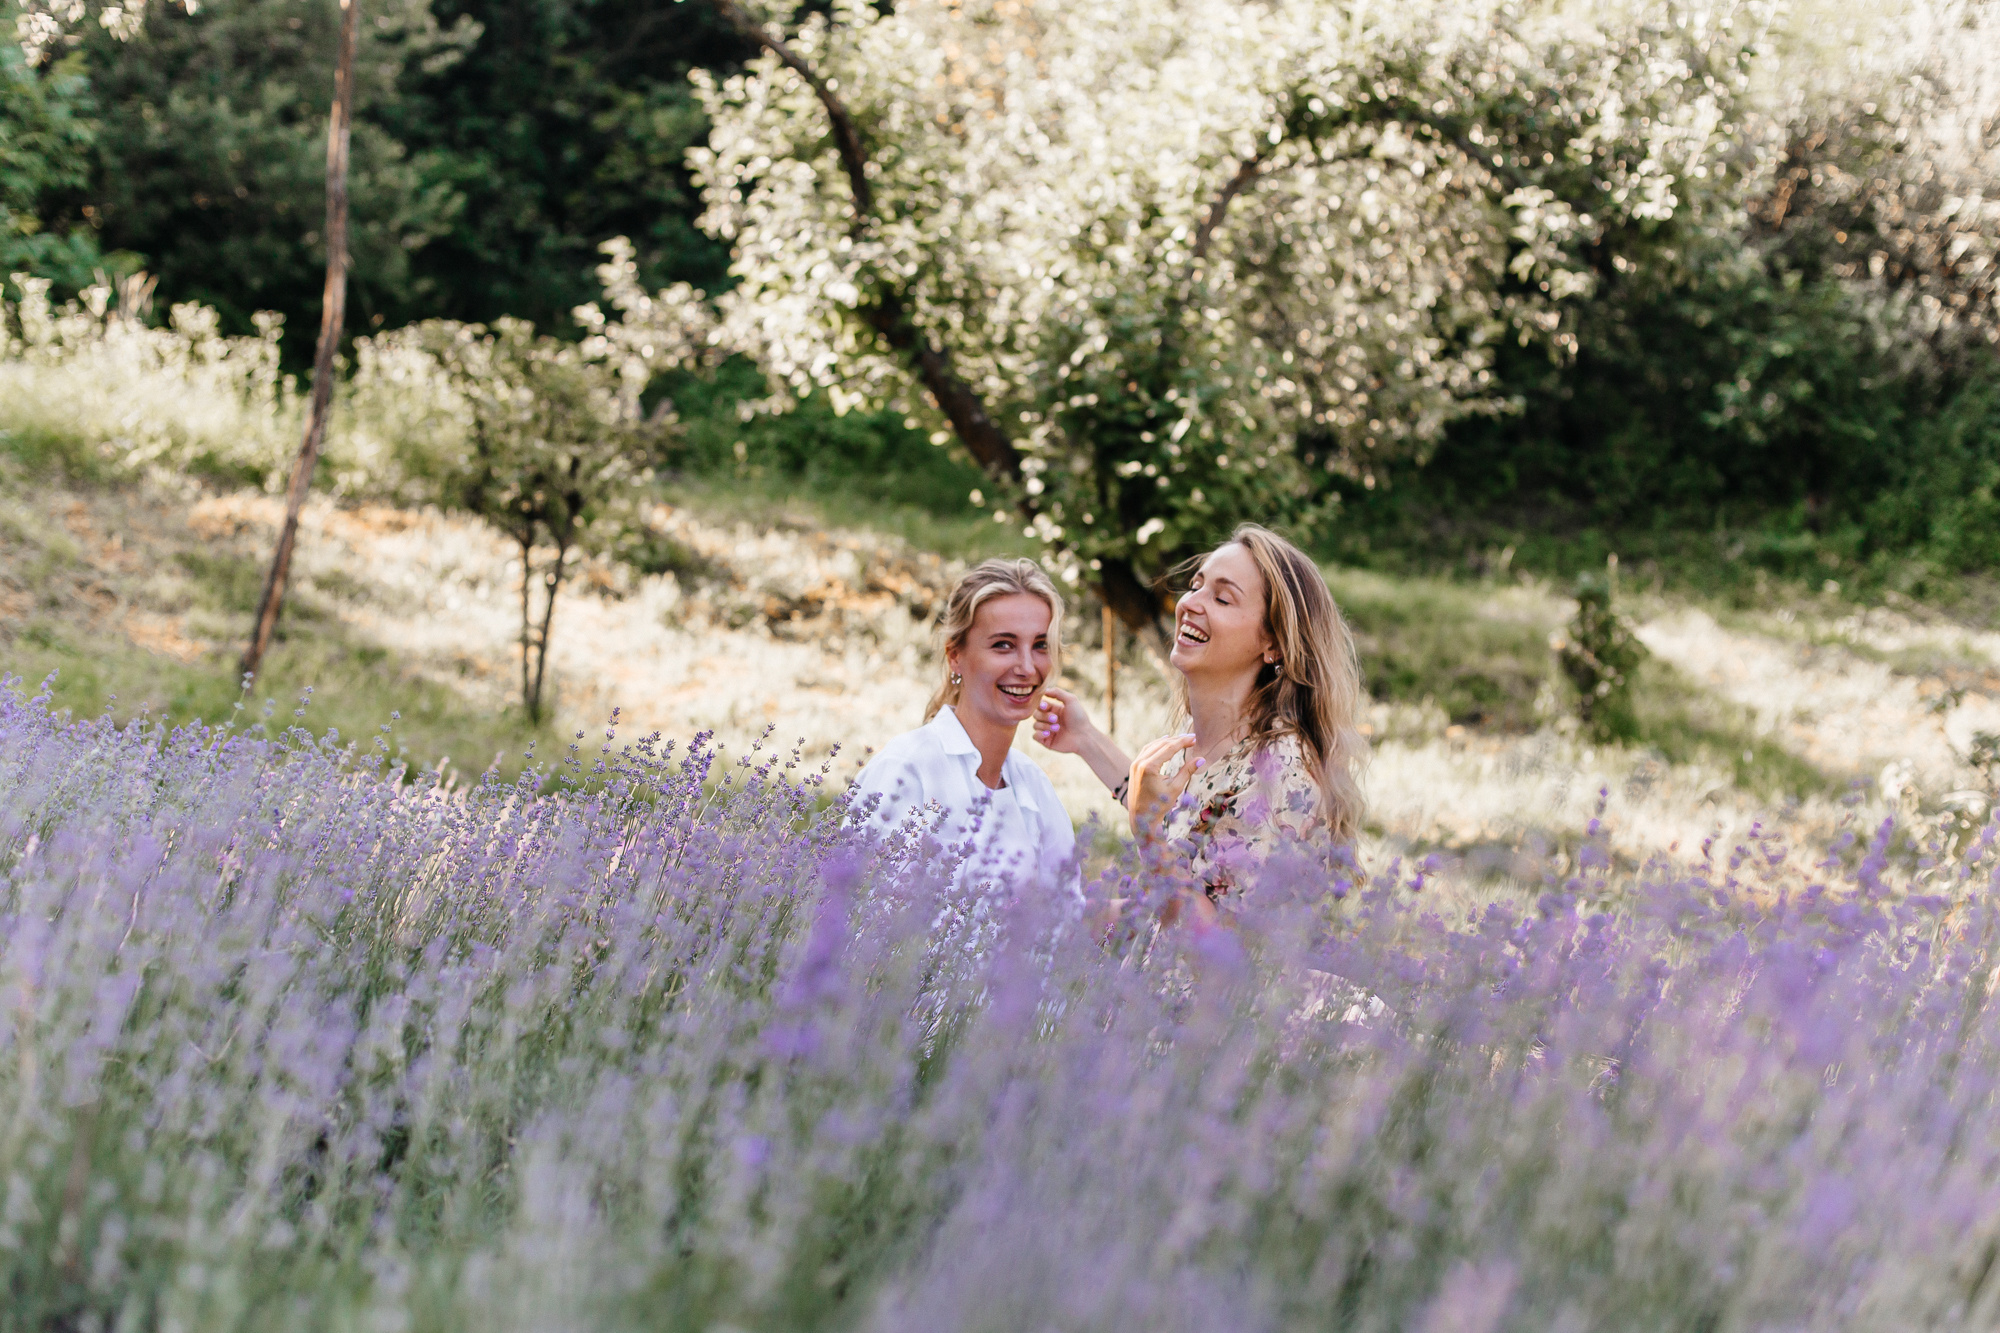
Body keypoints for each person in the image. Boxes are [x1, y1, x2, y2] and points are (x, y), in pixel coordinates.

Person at [1034, 523, 1365, 920]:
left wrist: (1149, 834)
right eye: (1196, 585)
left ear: (1273, 644)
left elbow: (1219, 953)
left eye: (1223, 599)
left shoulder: (1279, 771)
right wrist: (1085, 738)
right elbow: (1175, 813)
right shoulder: (1210, 743)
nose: (1190, 603)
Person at [850, 558, 1078, 898]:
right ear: (956, 656)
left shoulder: (1033, 785)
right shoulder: (906, 771)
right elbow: (859, 927)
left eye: (1040, 645)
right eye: (1004, 644)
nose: (1028, 667)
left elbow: (1067, 919)